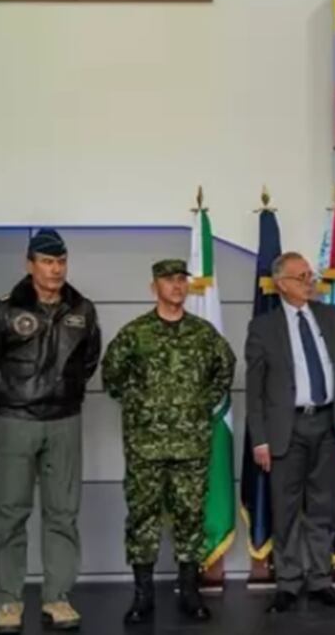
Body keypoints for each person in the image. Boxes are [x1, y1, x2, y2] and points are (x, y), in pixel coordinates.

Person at [0, 228, 101, 633]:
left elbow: (90, 359)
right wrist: (11, 396)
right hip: (17, 422)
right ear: (30, 264)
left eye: (61, 261)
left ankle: (57, 598)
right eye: (47, 261)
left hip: (64, 421)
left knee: (63, 513)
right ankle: (10, 600)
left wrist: (66, 394)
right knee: (9, 512)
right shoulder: (4, 310)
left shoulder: (82, 309)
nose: (55, 269)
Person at [101, 259, 236, 624]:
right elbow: (111, 374)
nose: (176, 286)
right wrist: (140, 405)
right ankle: (143, 596)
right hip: (146, 446)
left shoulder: (204, 334)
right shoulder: (135, 333)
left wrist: (199, 404)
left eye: (181, 280)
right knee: (142, 517)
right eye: (168, 280)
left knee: (191, 517)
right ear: (154, 287)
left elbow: (226, 368)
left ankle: (189, 592)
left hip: (191, 445)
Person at [245, 251, 335, 613]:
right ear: (281, 284)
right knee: (287, 507)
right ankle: (289, 582)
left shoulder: (330, 315)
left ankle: (321, 579)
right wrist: (260, 437)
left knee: (323, 505)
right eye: (301, 276)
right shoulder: (264, 326)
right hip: (285, 428)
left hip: (327, 423)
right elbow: (255, 389)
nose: (310, 281)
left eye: (310, 274)